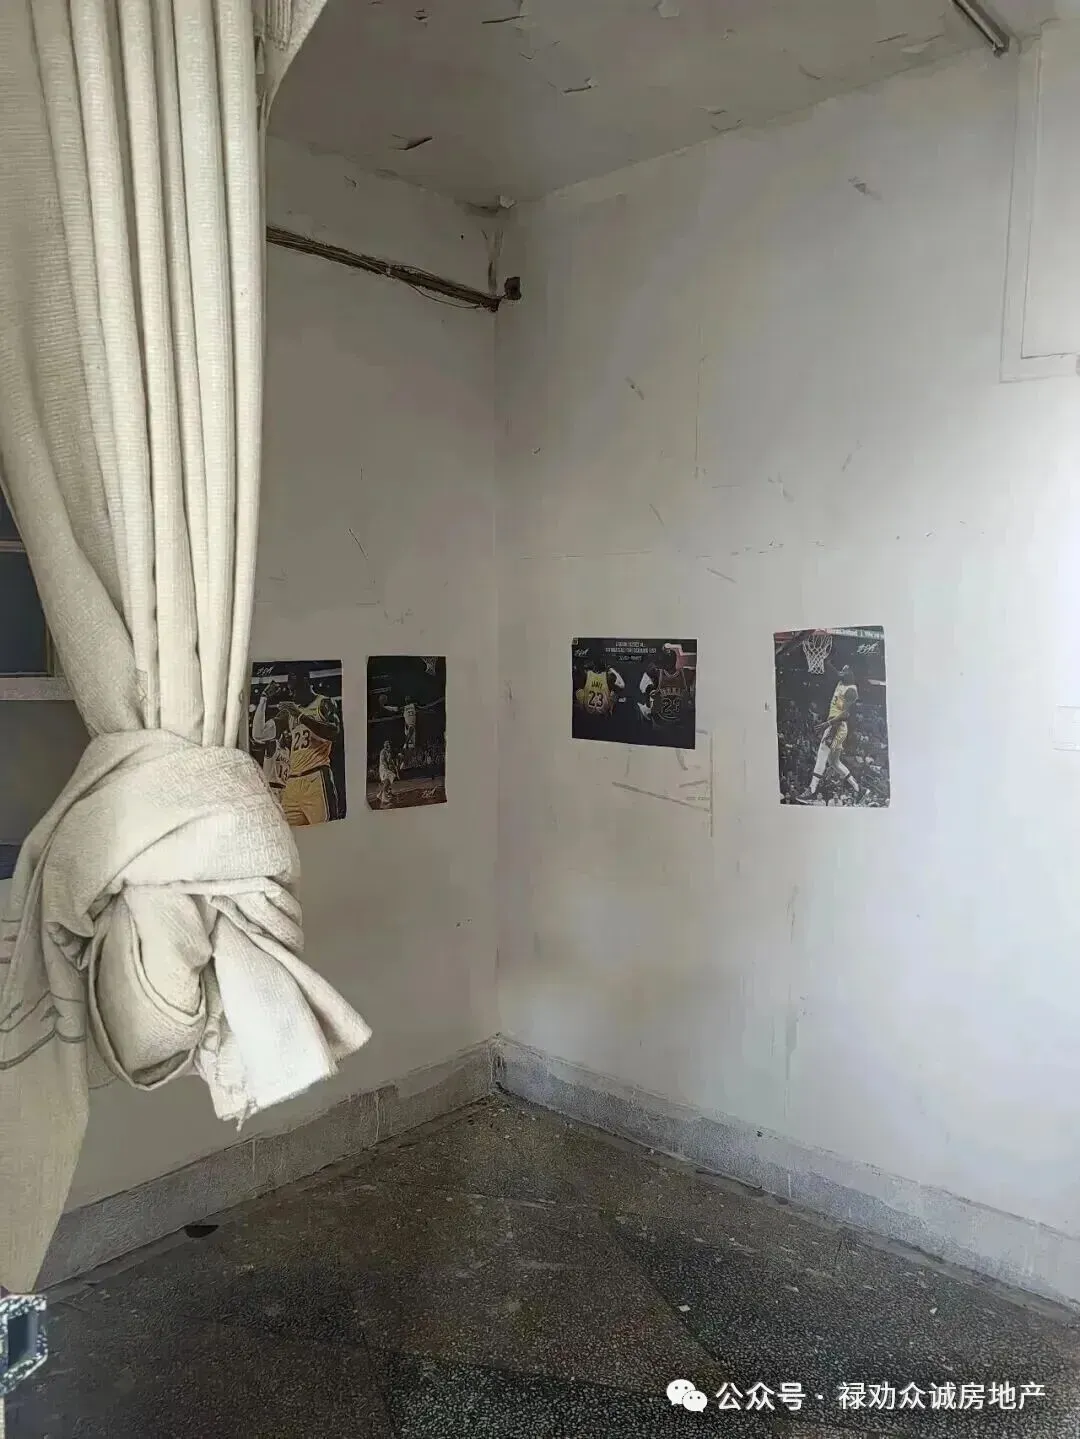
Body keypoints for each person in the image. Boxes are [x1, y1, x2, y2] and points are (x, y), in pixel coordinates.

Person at [257, 666, 341, 825]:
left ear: (306, 682)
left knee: (326, 834)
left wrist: (300, 716)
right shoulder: (289, 712)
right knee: (289, 835)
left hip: (316, 778)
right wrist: (263, 698)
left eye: (295, 689)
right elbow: (259, 734)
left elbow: (334, 733)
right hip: (292, 783)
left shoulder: (324, 703)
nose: (292, 694)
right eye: (290, 690)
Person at [800, 663, 860, 803]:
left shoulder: (851, 691)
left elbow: (845, 715)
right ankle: (857, 787)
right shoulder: (841, 682)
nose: (841, 673)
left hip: (837, 726)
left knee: (822, 753)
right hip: (835, 725)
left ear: (851, 674)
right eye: (841, 671)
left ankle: (812, 789)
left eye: (845, 671)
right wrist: (825, 660)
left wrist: (828, 725)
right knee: (834, 762)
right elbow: (835, 673)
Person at [638, 642, 696, 729]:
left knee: (644, 709)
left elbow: (644, 689)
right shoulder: (686, 673)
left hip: (664, 722)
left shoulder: (656, 672)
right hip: (676, 722)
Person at [574, 648, 625, 719]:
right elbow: (622, 685)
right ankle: (610, 714)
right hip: (602, 715)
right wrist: (614, 671)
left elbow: (577, 673)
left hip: (587, 715)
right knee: (614, 694)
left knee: (579, 691)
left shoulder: (586, 675)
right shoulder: (608, 677)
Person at [377, 737, 398, 808]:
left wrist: (394, 768)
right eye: (388, 745)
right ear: (385, 745)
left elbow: (391, 762)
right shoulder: (383, 751)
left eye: (389, 745)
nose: (389, 746)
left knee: (388, 780)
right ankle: (383, 800)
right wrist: (389, 767)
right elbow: (383, 761)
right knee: (387, 781)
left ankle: (380, 795)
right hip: (383, 769)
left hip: (386, 769)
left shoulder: (389, 752)